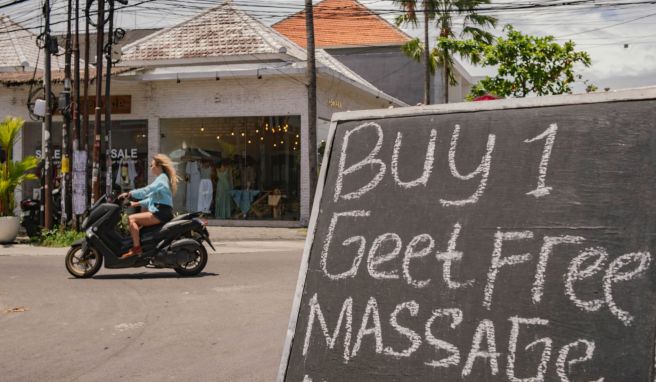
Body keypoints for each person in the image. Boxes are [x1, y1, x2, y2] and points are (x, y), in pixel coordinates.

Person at [118, 154, 178, 259]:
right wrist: (135, 203)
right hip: (161, 211)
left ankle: (136, 249)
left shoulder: (162, 178)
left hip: (160, 213)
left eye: (152, 165)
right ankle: (142, 245)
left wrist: (130, 194)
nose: (150, 167)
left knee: (131, 219)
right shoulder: (162, 178)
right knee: (138, 218)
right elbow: (152, 198)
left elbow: (147, 190)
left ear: (158, 166)